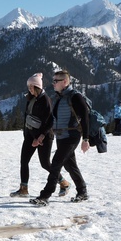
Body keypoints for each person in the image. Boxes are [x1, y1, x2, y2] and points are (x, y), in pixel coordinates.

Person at [30, 70, 90, 206]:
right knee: (70, 165)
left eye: (56, 81)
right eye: (53, 81)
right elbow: (52, 120)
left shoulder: (76, 97)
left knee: (56, 162)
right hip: (61, 136)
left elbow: (85, 118)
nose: (53, 84)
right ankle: (82, 191)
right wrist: (42, 135)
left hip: (72, 136)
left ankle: (45, 195)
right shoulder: (58, 98)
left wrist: (85, 139)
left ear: (65, 82)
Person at [10, 73, 70, 198]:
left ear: (37, 86)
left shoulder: (45, 100)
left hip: (44, 137)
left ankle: (63, 182)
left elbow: (50, 121)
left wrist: (41, 136)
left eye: (31, 86)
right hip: (30, 135)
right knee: (24, 161)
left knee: (45, 163)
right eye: (29, 86)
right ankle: (23, 188)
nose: (29, 89)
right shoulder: (31, 98)